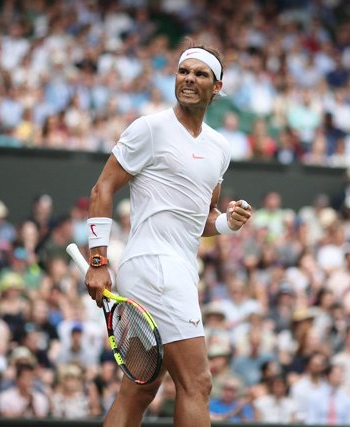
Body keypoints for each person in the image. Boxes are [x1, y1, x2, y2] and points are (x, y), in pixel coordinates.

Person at [83, 41, 252, 427]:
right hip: (154, 267)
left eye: (200, 74)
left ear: (217, 87)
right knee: (198, 383)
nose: (189, 79)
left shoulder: (220, 149)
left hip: (172, 268)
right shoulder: (150, 128)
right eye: (183, 71)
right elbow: (101, 190)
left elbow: (201, 219)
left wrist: (228, 222)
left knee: (139, 389)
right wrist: (98, 262)